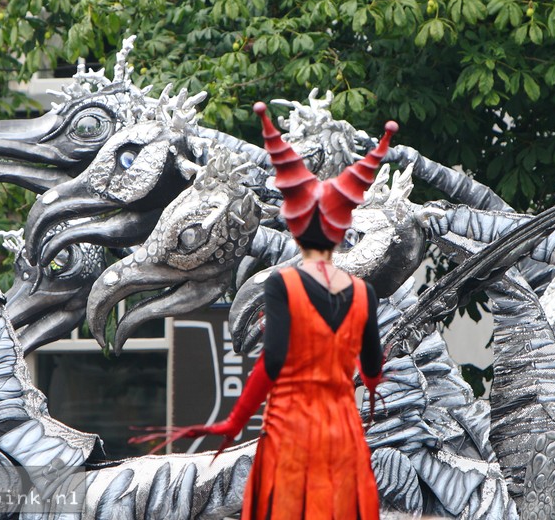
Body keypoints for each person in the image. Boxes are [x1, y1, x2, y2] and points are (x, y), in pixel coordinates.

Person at [167, 102, 398, 519]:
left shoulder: (284, 284)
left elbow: (272, 362)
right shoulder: (363, 293)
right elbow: (371, 368)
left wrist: (233, 421)